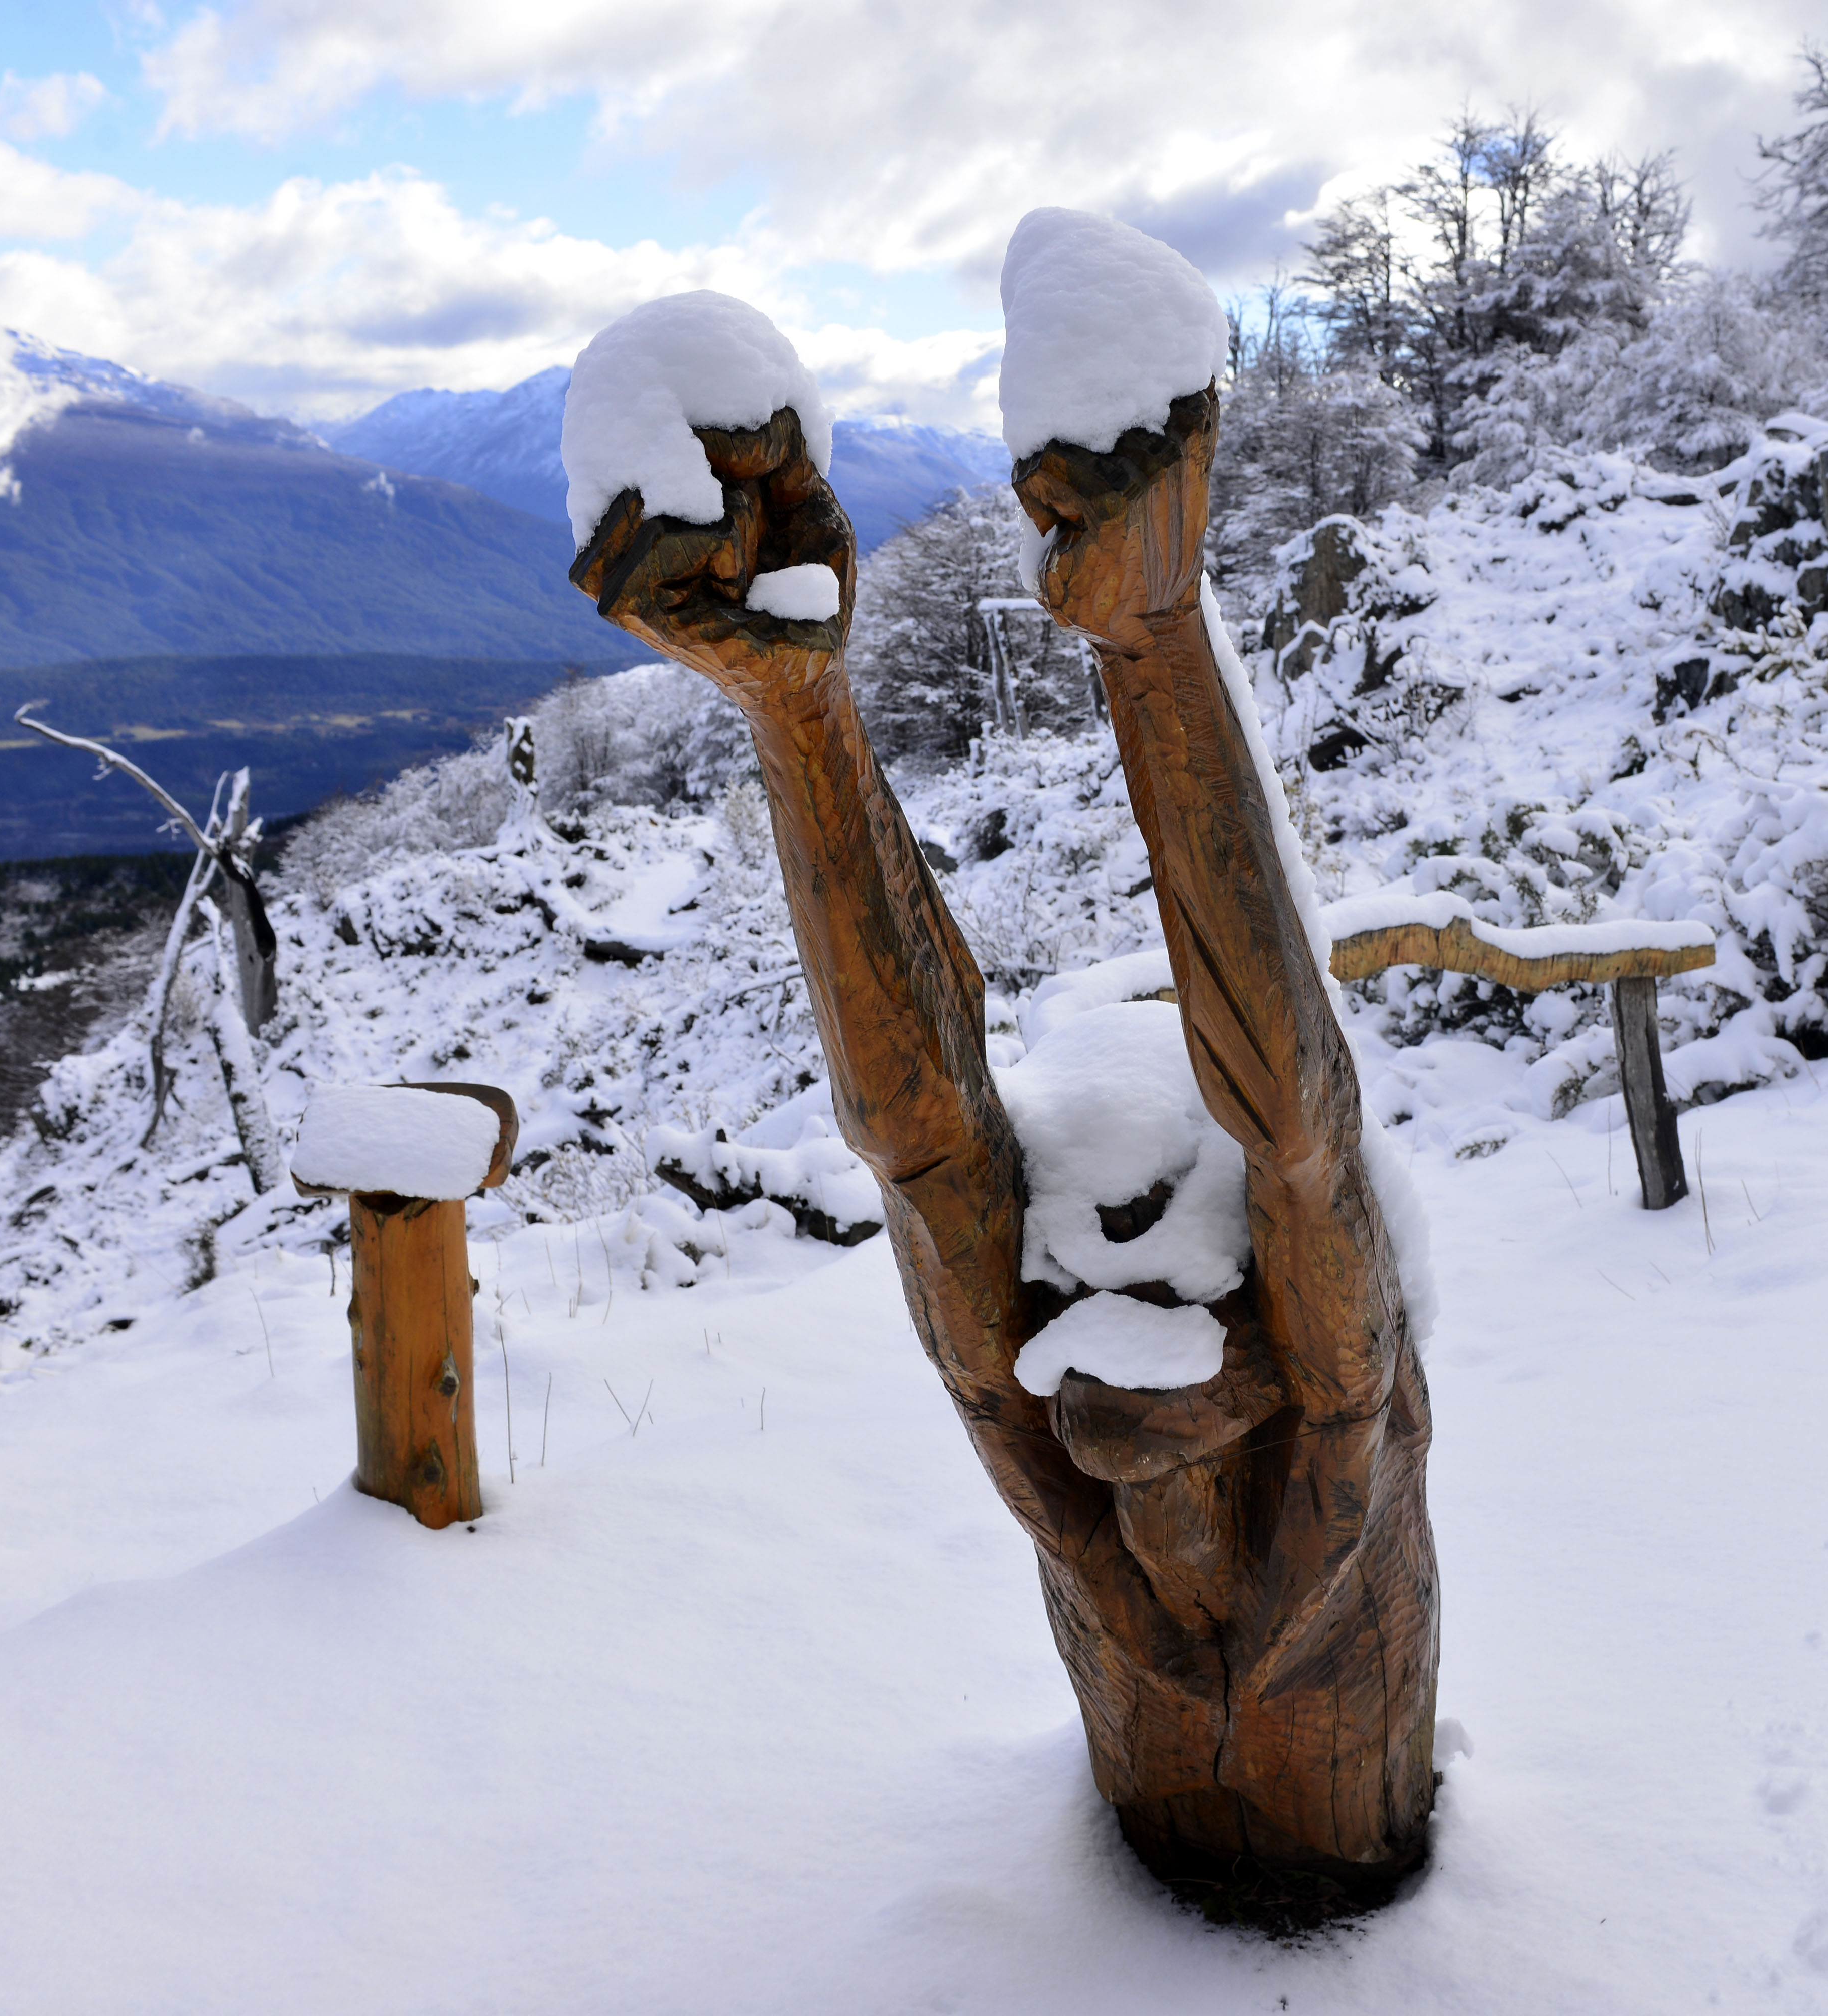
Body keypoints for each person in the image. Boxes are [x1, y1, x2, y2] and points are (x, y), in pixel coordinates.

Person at [567, 387, 1439, 1905]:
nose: (1115, 1369)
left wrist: (1157, 637)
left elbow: (1300, 1141)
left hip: (1361, 1853)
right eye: (1082, 1322)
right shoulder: (1055, 1417)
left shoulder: (1333, 1423)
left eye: (1177, 1313)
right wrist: (800, 719)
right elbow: (919, 1145)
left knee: (1283, 1165)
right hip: (1183, 1856)